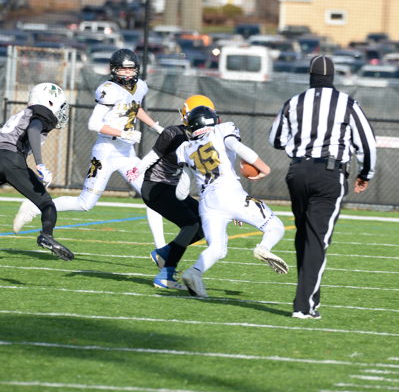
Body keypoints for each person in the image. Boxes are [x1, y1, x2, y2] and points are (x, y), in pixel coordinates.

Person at [13, 49, 165, 248]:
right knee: (85, 203)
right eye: (123, 69)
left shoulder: (140, 87)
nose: (128, 73)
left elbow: (134, 107)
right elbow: (93, 124)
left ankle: (162, 250)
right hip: (106, 152)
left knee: (152, 196)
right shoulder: (108, 90)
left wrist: (155, 127)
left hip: (127, 153)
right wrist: (123, 133)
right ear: (114, 70)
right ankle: (35, 206)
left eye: (131, 69)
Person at [269, 55, 377, 320]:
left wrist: (301, 144)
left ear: (310, 76)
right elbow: (367, 144)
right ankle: (303, 306)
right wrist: (366, 173)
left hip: (297, 172)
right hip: (329, 174)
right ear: (332, 77)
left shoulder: (294, 102)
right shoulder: (347, 103)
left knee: (304, 235)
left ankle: (310, 299)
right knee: (317, 238)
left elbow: (276, 140)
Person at [175, 105, 289, 298]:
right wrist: (264, 169)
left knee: (217, 248)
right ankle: (263, 248)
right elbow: (237, 147)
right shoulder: (222, 130)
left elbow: (181, 193)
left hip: (207, 202)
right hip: (230, 192)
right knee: (275, 226)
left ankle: (193, 272)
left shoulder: (184, 148)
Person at [126, 95, 216, 290]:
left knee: (203, 222)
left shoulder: (205, 140)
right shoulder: (173, 133)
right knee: (190, 224)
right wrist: (137, 170)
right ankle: (166, 275)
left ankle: (164, 253)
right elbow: (153, 156)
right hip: (156, 186)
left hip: (174, 188)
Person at [1, 82, 73, 260]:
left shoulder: (23, 113)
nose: (61, 112)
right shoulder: (40, 113)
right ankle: (46, 235)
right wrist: (40, 164)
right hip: (11, 160)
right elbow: (33, 129)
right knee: (47, 204)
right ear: (49, 102)